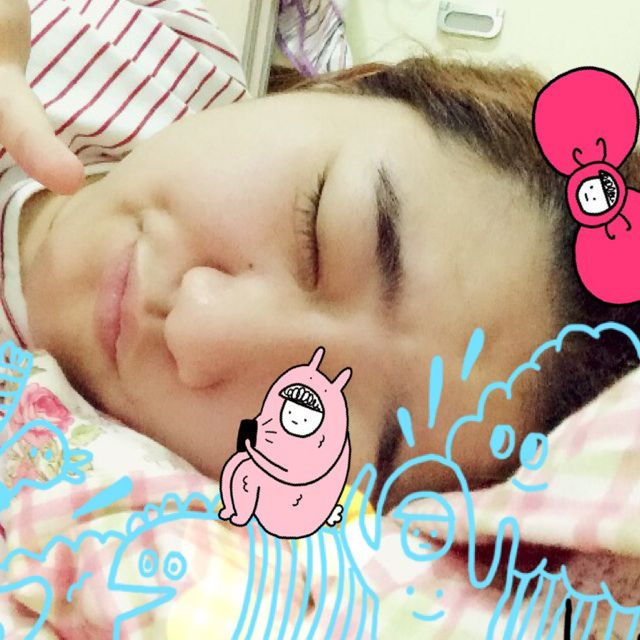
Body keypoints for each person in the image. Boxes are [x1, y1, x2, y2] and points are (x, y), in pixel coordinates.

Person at [2, 0, 639, 512]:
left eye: (313, 426)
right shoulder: (173, 46)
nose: (198, 327)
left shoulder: (60, 527)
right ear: (345, 86)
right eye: (318, 231)